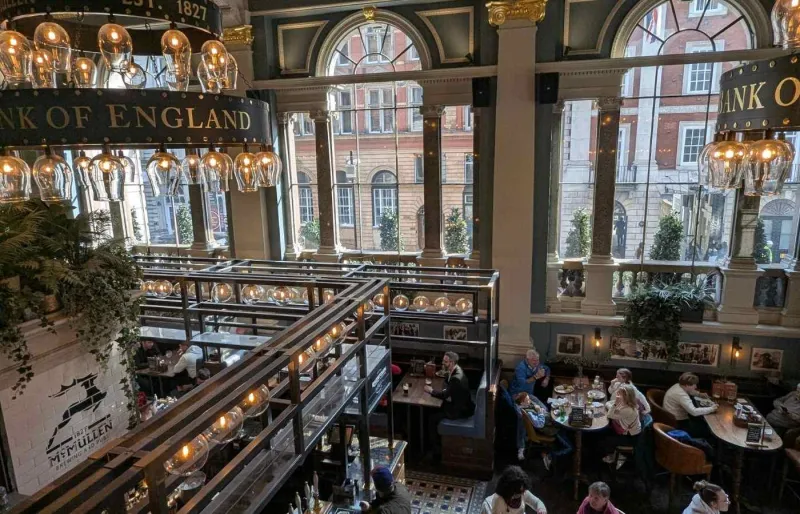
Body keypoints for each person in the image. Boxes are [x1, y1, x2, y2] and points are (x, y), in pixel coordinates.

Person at [424, 352, 475, 459]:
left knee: (431, 418)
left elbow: (445, 395)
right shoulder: (457, 370)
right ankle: (428, 444)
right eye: (443, 361)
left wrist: (431, 390)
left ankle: (436, 451)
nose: (443, 363)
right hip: (461, 404)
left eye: (445, 362)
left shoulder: (456, 378)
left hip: (459, 410)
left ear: (452, 363)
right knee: (429, 411)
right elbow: (449, 390)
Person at [515, 392, 573, 468]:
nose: (530, 400)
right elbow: (539, 424)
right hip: (551, 429)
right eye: (527, 400)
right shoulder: (528, 413)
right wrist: (540, 412)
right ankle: (549, 456)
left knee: (568, 421)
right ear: (522, 403)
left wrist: (541, 410)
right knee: (570, 448)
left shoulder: (528, 406)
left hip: (552, 424)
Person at [663, 372, 717, 436]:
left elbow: (689, 391)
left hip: (670, 417)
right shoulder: (681, 395)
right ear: (687, 385)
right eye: (694, 384)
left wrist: (699, 394)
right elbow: (694, 412)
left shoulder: (678, 385)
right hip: (677, 423)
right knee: (707, 429)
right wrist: (712, 408)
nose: (696, 386)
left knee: (701, 421)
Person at [602, 384, 642, 469]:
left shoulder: (628, 409)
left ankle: (619, 456)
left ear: (626, 396)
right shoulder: (625, 403)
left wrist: (615, 404)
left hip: (630, 437)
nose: (617, 395)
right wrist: (614, 406)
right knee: (603, 432)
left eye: (619, 394)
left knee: (604, 440)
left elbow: (609, 415)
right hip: (624, 430)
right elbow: (608, 403)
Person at [482, 465, 546, 514]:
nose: (523, 493)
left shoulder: (523, 492)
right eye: (520, 492)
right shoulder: (499, 500)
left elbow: (537, 502)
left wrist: (541, 509)